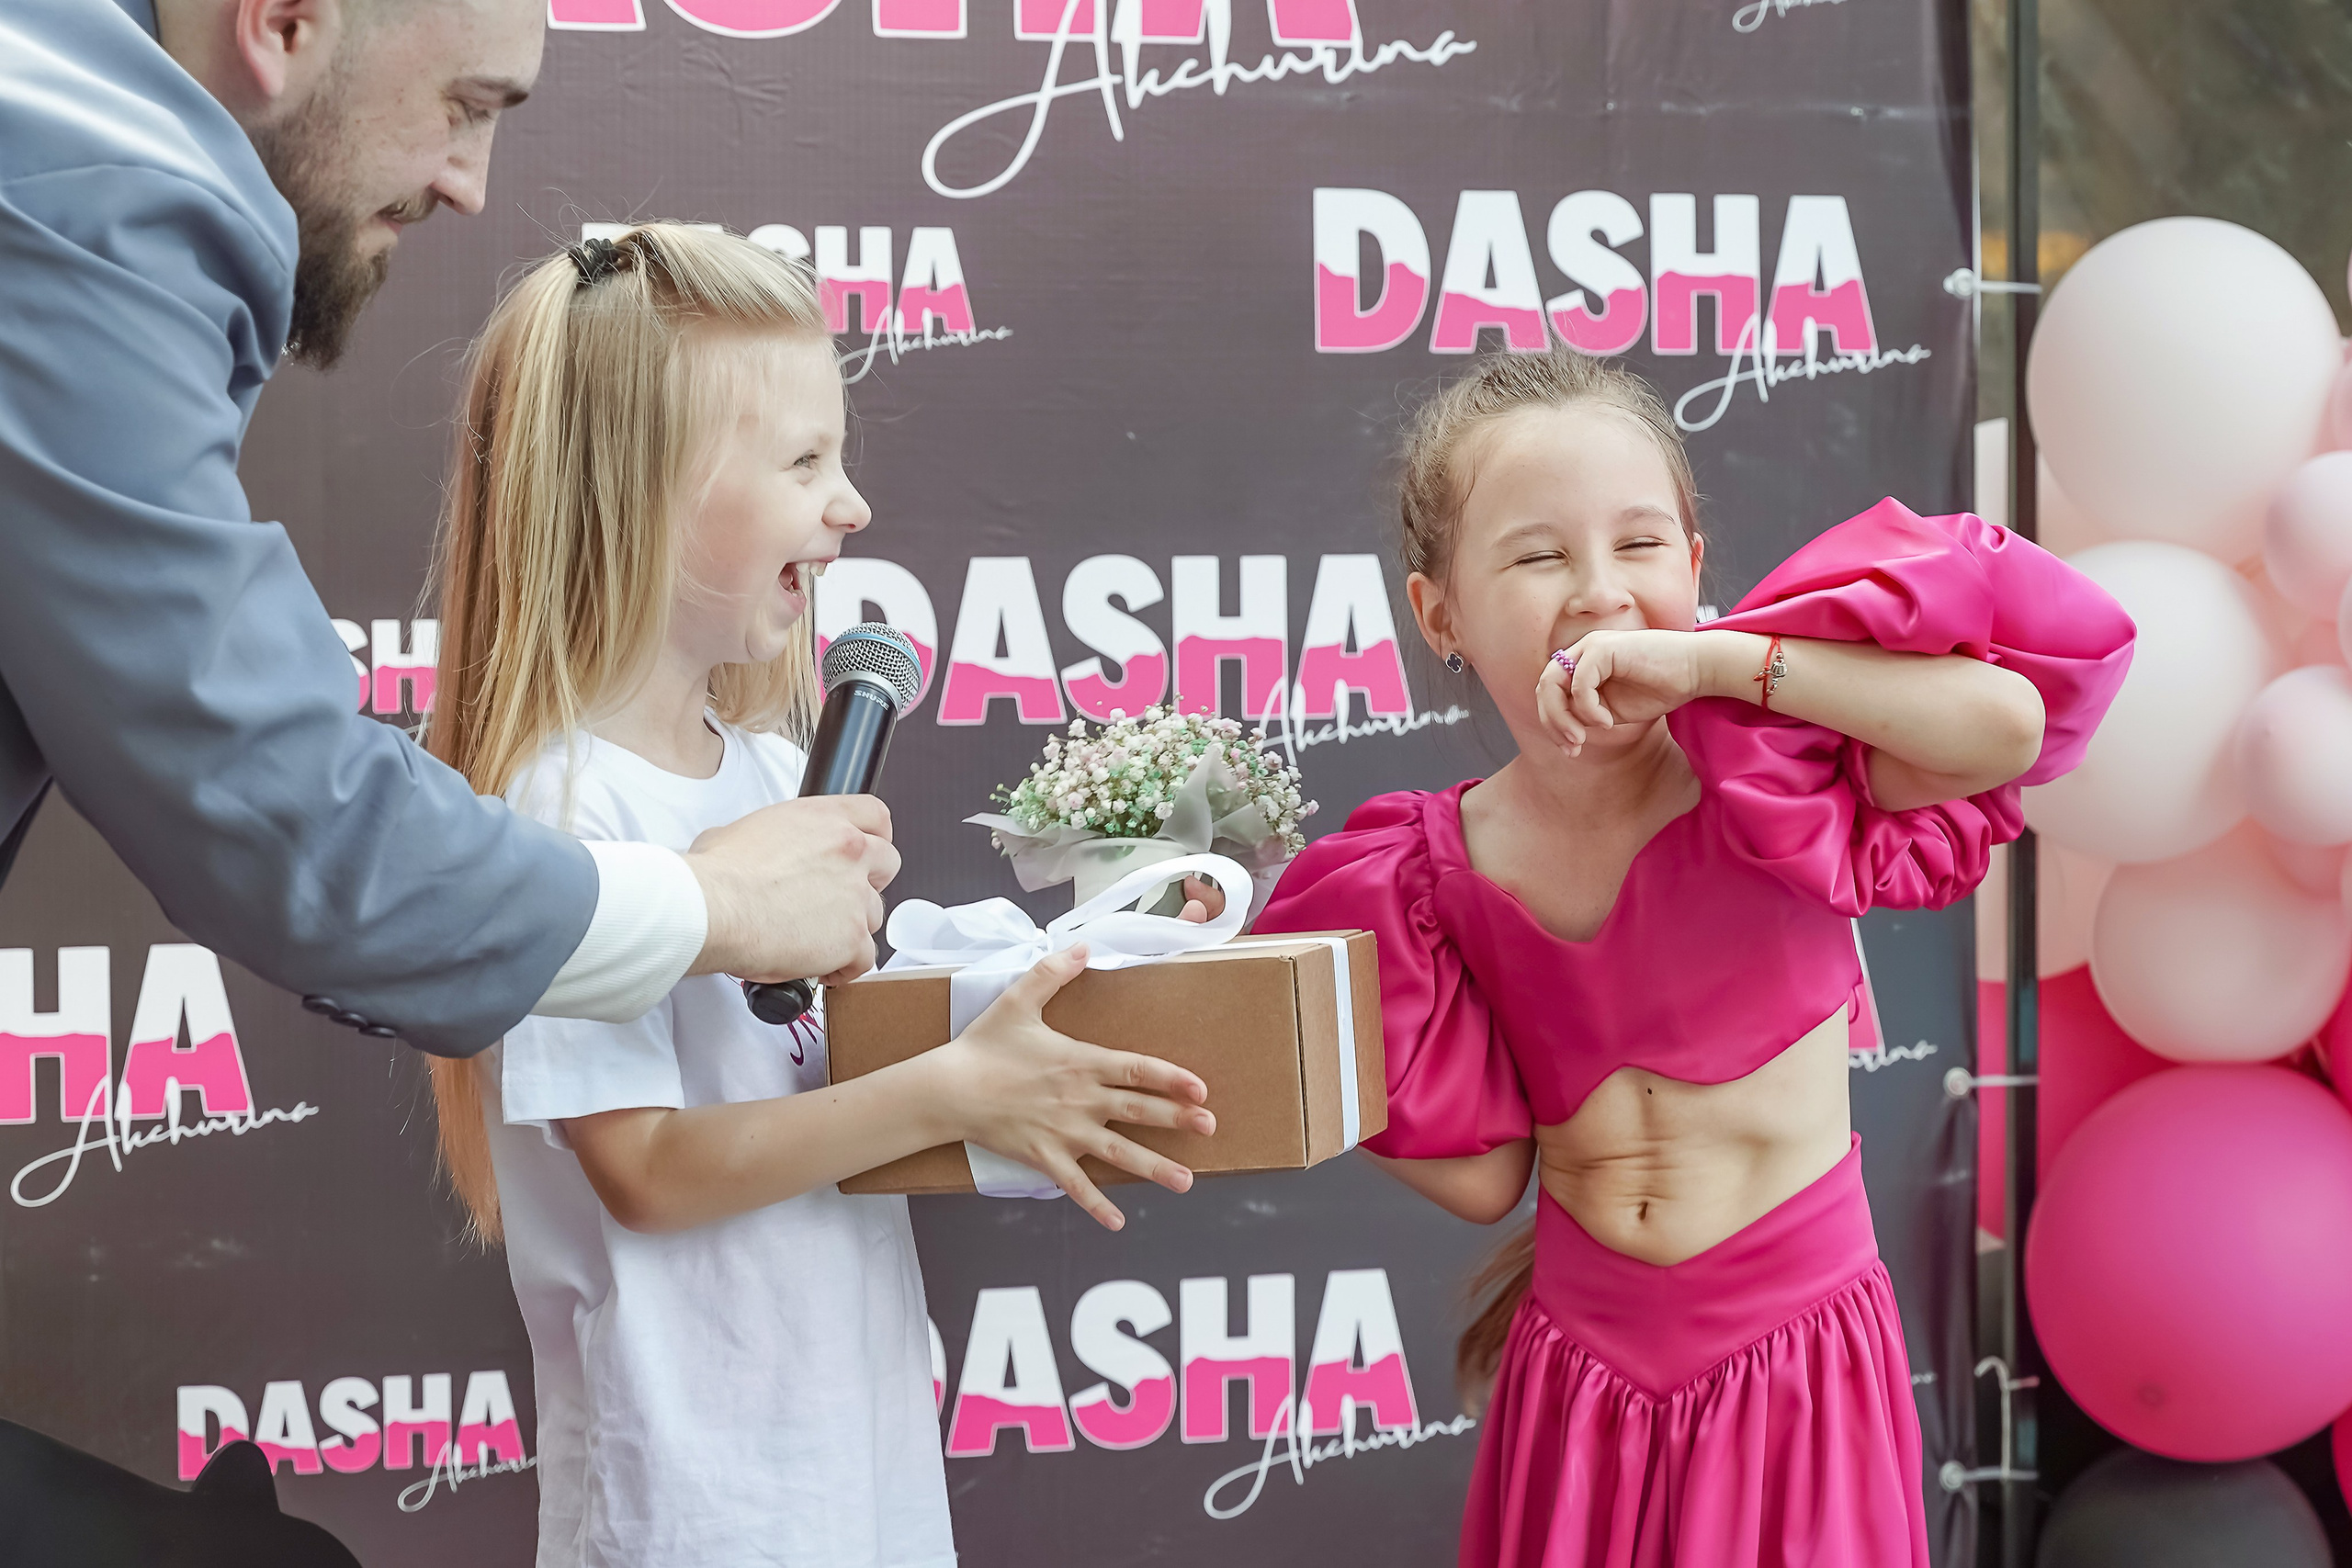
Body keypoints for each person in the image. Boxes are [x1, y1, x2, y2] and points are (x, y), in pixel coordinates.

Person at [1254, 349, 2133, 1567]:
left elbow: (2009, 729)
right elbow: (1480, 1175)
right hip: (1582, 1377)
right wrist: (1281, 1034)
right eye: (1537, 554)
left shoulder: (1779, 772)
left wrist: (1723, 665)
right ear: (1438, 612)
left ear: (1695, 567)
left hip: (1796, 1364)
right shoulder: (1430, 865)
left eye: (1640, 544)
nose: (1598, 592)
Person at [422, 224, 1218, 1568]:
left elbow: (820, 1074)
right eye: (803, 462)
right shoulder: (562, 815)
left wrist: (1093, 957)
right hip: (695, 1507)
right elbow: (651, 1170)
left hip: (858, 1471)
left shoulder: (783, 774)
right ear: (641, 490)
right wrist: (950, 1092)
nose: (849, 504)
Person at [0, 0, 890, 1056]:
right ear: (285, 25)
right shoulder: (81, 193)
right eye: (464, 107)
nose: (468, 185)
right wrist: (718, 907)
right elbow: (278, 807)